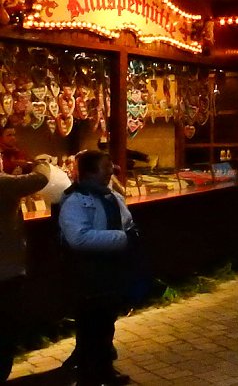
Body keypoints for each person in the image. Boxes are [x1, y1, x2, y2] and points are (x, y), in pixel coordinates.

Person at [59, 150, 138, 386]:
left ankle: (104, 371)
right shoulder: (75, 201)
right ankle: (89, 376)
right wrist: (123, 239)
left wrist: (132, 234)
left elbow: (128, 223)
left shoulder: (110, 197)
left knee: (106, 324)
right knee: (90, 327)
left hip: (111, 272)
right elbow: (79, 239)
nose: (111, 170)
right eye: (106, 167)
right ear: (91, 172)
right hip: (88, 275)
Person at [0, 154, 50, 381]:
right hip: (5, 271)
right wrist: (40, 162)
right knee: (5, 329)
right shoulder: (4, 184)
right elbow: (39, 179)